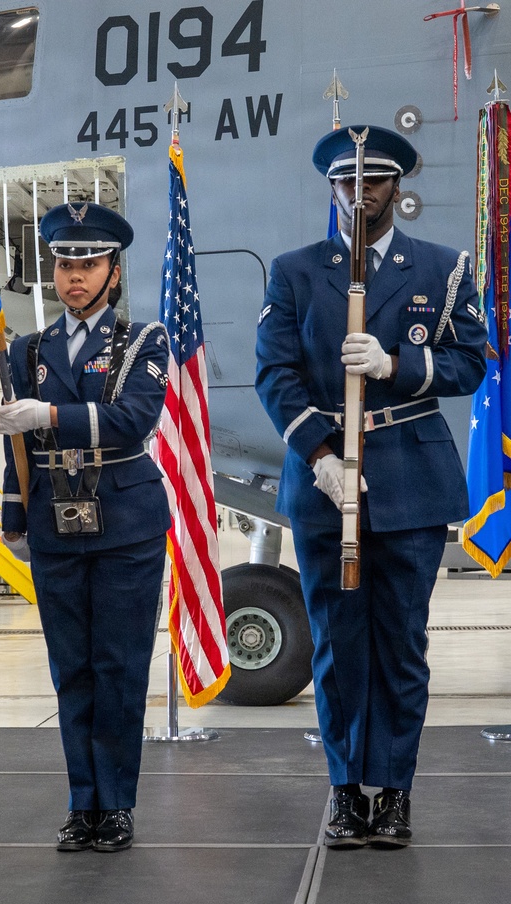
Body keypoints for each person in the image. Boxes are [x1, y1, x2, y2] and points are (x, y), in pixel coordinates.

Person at [255, 126, 488, 849]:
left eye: (375, 182)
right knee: (335, 643)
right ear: (333, 188)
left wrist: (396, 366)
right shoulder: (297, 272)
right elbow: (275, 374)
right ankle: (346, 790)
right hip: (327, 483)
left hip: (410, 476)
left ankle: (394, 792)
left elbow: (471, 364)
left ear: (397, 190)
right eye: (349, 183)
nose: (361, 193)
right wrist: (320, 456)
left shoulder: (441, 270)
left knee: (400, 646)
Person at [0, 203, 170, 853]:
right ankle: (81, 802)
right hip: (55, 521)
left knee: (118, 666)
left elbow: (132, 422)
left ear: (113, 273)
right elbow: (19, 450)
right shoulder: (26, 350)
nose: (75, 277)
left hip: (125, 520)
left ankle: (115, 804)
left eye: (89, 264)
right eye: (65, 264)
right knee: (71, 670)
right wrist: (13, 515)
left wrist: (51, 414)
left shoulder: (143, 341)